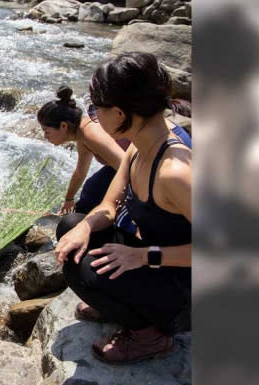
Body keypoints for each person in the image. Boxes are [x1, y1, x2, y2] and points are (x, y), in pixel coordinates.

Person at [54, 52, 192, 364]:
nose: (93, 116)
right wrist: (85, 228)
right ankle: (119, 304)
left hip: (183, 290)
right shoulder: (141, 145)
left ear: (119, 113)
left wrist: (141, 256)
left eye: (95, 109)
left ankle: (151, 336)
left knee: (82, 271)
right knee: (70, 227)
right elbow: (110, 203)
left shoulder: (175, 173)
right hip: (157, 264)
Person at [37, 86, 127, 217]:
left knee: (95, 192)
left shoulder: (91, 134)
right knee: (91, 190)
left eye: (46, 131)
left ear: (63, 126)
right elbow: (80, 172)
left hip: (141, 168)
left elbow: (127, 167)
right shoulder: (81, 135)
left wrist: (113, 203)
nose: (45, 136)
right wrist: (68, 199)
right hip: (121, 168)